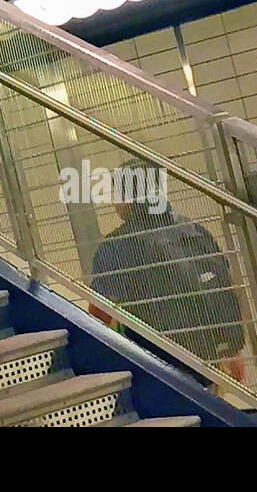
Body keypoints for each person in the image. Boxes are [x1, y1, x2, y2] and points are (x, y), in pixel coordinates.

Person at [87, 164, 247, 387]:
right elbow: (224, 287)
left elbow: (98, 314)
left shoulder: (118, 245)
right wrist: (232, 347)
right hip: (209, 362)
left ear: (125, 197)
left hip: (157, 367)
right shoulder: (194, 230)